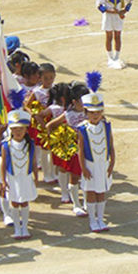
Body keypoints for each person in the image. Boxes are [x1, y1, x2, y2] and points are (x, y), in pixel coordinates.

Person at [79, 71, 115, 232]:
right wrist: (84, 168)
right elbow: (80, 150)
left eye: (98, 112)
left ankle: (101, 219)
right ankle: (92, 220)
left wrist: (112, 163)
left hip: (104, 164)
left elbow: (111, 145)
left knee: (102, 192)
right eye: (91, 113)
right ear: (86, 113)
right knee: (91, 192)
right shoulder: (82, 129)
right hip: (90, 165)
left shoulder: (106, 126)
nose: (95, 116)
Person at [46, 83, 89, 217]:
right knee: (75, 176)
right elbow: (49, 125)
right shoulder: (68, 114)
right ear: (75, 101)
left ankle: (88, 203)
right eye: (83, 100)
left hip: (90, 149)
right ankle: (76, 205)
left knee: (88, 176)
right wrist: (59, 141)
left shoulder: (91, 112)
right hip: (75, 150)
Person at [1, 89, 38, 239]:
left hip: (26, 176)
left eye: (20, 129)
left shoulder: (31, 143)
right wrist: (3, 180)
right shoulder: (6, 145)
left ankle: (25, 227)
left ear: (25, 129)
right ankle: (17, 227)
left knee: (25, 202)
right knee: (15, 202)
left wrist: (35, 175)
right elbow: (4, 163)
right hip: (13, 177)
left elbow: (33, 160)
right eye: (15, 129)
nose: (18, 132)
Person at [97, 0, 133, 70]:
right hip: (108, 17)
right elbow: (98, 5)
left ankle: (117, 56)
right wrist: (109, 11)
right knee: (109, 36)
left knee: (118, 35)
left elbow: (130, 1)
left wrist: (124, 10)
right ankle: (110, 57)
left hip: (118, 17)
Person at [37, 83, 71, 203]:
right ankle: (64, 191)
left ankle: (67, 189)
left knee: (68, 166)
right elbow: (39, 116)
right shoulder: (55, 108)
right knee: (62, 167)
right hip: (60, 140)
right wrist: (47, 130)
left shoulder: (72, 108)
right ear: (63, 98)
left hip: (71, 140)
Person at [25, 63, 56, 184]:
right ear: (40, 77)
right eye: (46, 78)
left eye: (51, 77)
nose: (49, 80)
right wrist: (34, 114)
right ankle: (47, 174)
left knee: (54, 149)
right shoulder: (36, 91)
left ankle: (54, 172)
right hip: (41, 122)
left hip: (54, 121)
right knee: (44, 150)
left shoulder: (56, 89)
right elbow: (27, 105)